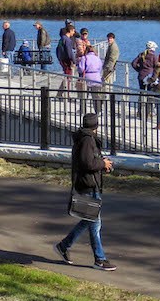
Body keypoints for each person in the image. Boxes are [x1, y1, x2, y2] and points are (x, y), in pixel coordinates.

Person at [54, 113, 116, 271]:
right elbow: (87, 163)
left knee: (88, 220)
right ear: (96, 127)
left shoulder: (84, 138)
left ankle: (63, 246)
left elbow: (89, 160)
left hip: (89, 184)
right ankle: (99, 259)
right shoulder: (88, 140)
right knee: (95, 222)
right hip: (88, 185)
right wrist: (103, 164)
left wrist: (104, 164)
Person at [78, 46, 104, 113]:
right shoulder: (97, 58)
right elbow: (100, 68)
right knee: (96, 96)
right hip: (97, 78)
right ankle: (98, 111)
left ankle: (82, 110)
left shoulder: (84, 58)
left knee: (83, 95)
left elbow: (81, 69)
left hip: (87, 77)